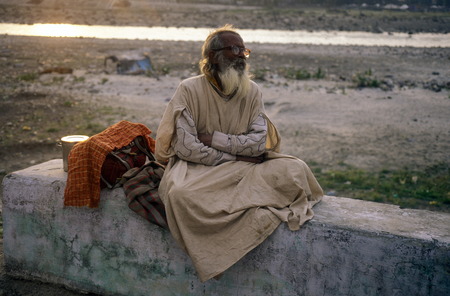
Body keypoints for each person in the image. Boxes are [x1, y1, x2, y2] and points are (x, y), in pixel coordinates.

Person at [155, 24, 323, 282]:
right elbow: (186, 147)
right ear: (212, 56)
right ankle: (215, 256)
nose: (240, 55)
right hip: (198, 168)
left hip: (246, 166)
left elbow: (257, 144)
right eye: (233, 49)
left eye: (243, 49)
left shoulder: (252, 91)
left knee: (295, 170)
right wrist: (234, 156)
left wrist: (216, 139)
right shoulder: (189, 89)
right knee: (180, 194)